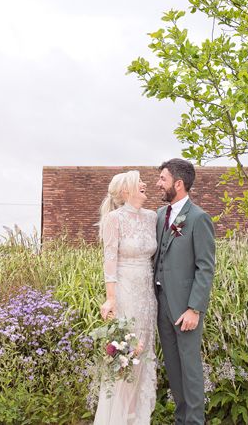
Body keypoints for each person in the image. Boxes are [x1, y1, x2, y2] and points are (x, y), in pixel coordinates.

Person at [154, 158, 215, 425]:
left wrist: (195, 308)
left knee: (190, 371)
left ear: (178, 183)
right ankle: (181, 420)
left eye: (163, 179)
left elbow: (205, 267)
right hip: (161, 306)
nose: (158, 183)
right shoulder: (158, 215)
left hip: (186, 309)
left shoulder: (199, 218)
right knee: (174, 371)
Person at [95, 170, 157, 425]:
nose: (144, 184)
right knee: (127, 356)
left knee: (144, 356)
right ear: (125, 192)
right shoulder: (113, 219)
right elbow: (110, 260)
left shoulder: (153, 217)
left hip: (147, 295)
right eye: (138, 182)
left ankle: (139, 419)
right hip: (125, 294)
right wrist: (111, 299)